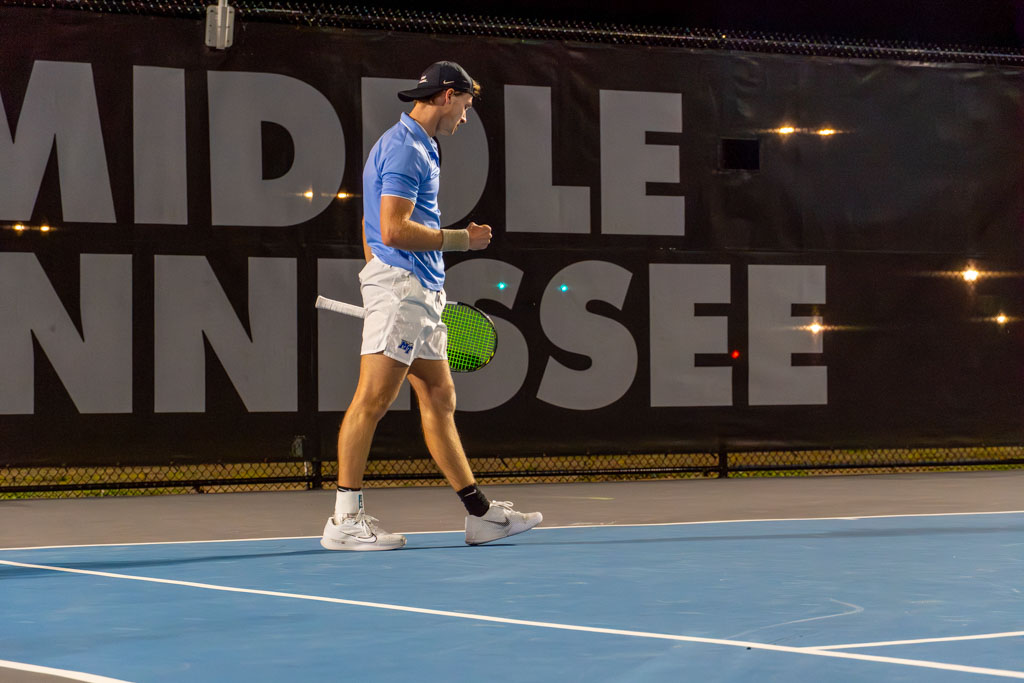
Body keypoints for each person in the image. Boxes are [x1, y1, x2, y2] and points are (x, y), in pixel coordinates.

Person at [321, 61, 542, 551]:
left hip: (416, 291)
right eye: (465, 106)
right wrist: (458, 242)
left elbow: (370, 226)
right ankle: (344, 518)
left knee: (440, 398)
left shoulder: (420, 146)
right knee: (372, 400)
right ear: (447, 95)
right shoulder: (405, 148)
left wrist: (387, 269)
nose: (466, 117)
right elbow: (393, 227)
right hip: (404, 292)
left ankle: (482, 515)